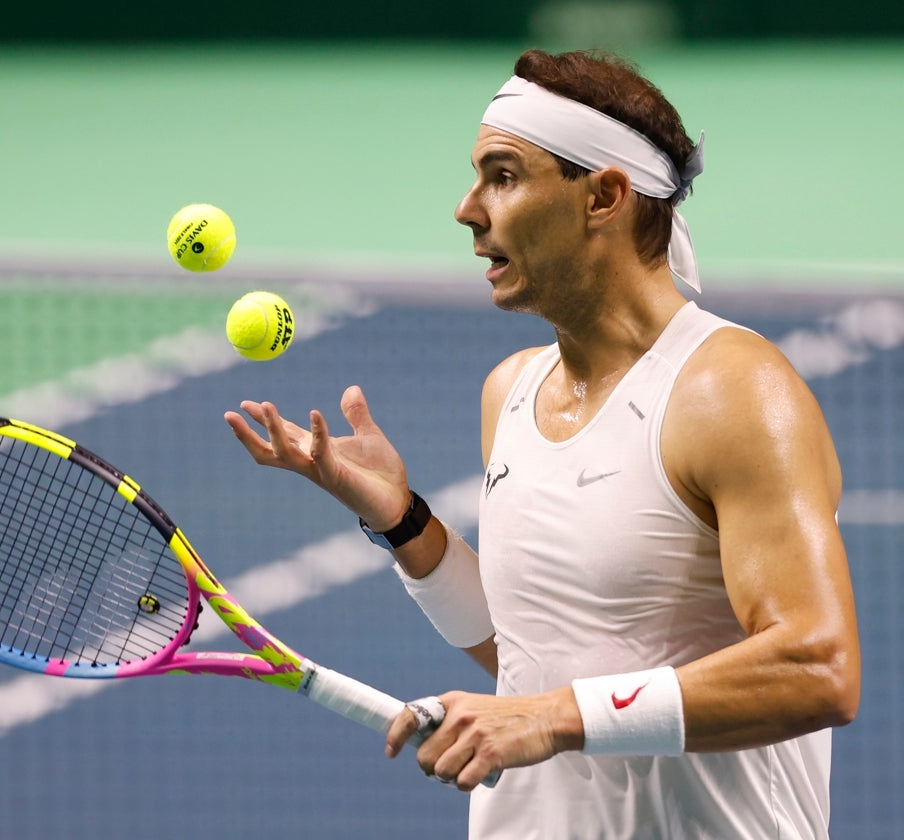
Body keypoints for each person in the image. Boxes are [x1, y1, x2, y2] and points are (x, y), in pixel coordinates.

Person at [223, 48, 861, 839]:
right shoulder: (512, 390)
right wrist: (404, 523)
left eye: (504, 176)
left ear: (605, 196)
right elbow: (533, 661)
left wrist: (556, 718)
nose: (467, 208)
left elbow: (817, 669)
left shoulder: (732, 391)